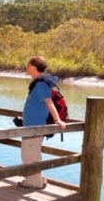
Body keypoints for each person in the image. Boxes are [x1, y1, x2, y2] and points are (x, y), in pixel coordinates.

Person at [18, 56, 67, 189]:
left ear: (34, 68)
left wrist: (57, 120)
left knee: (29, 155)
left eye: (28, 66)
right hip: (31, 125)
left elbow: (49, 102)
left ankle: (33, 182)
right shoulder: (38, 83)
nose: (26, 68)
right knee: (31, 153)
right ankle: (38, 179)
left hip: (35, 127)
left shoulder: (40, 84)